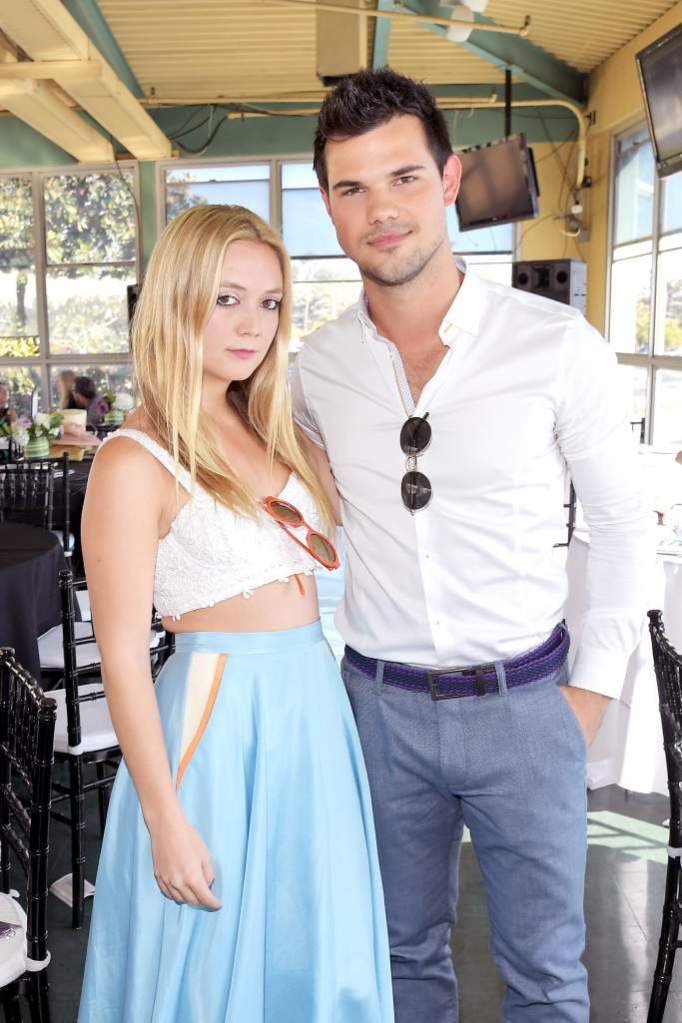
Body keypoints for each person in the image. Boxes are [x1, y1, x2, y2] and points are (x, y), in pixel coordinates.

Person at [291, 68, 650, 1023]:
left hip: (527, 702)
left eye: (403, 177)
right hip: (378, 709)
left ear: (450, 180)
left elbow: (621, 525)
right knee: (400, 964)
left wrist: (586, 697)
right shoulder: (311, 372)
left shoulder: (557, 345)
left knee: (545, 980)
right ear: (326, 204)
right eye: (351, 187)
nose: (381, 210)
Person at [78, 205, 393, 1023]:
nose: (253, 323)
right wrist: (162, 815)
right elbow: (119, 659)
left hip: (313, 712)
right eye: (227, 298)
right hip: (217, 725)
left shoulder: (275, 428)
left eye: (270, 302)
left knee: (309, 945)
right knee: (209, 970)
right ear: (179, 298)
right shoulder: (131, 457)